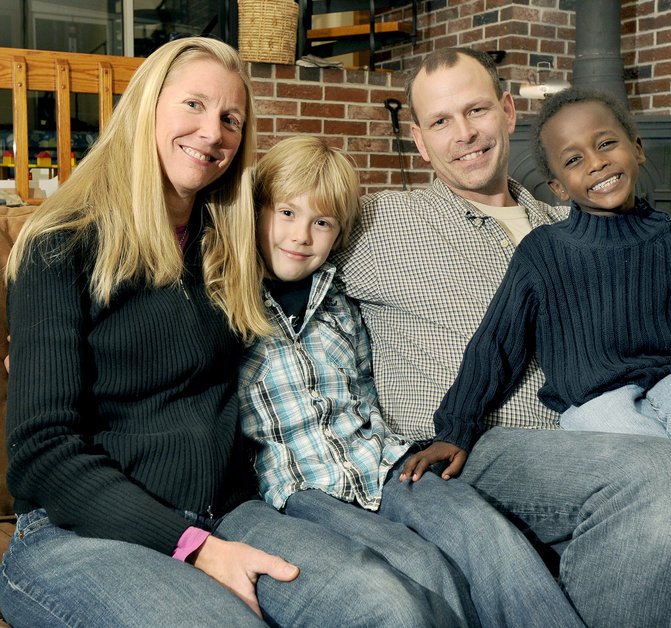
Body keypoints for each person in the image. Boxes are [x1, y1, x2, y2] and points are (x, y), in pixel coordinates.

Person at [0, 37, 472, 627]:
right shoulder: (60, 244)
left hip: (227, 512)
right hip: (82, 530)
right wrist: (194, 547)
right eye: (193, 105)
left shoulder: (228, 247)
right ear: (147, 105)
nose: (212, 132)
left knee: (389, 605)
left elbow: (310, 248)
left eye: (230, 118)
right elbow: (41, 452)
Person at [330, 47, 671, 626]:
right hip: (479, 446)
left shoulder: (575, 214)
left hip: (644, 406)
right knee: (664, 476)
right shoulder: (379, 223)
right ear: (421, 143)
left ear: (507, 110)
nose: (465, 134)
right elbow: (281, 233)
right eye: (440, 122)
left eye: (476, 110)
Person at [240, 135, 584, 627]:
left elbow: (363, 382)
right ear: (256, 212)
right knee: (419, 565)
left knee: (483, 532)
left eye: (322, 222)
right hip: (301, 488)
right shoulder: (230, 300)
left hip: (385, 461)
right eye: (286, 214)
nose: (301, 236)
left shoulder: (341, 298)